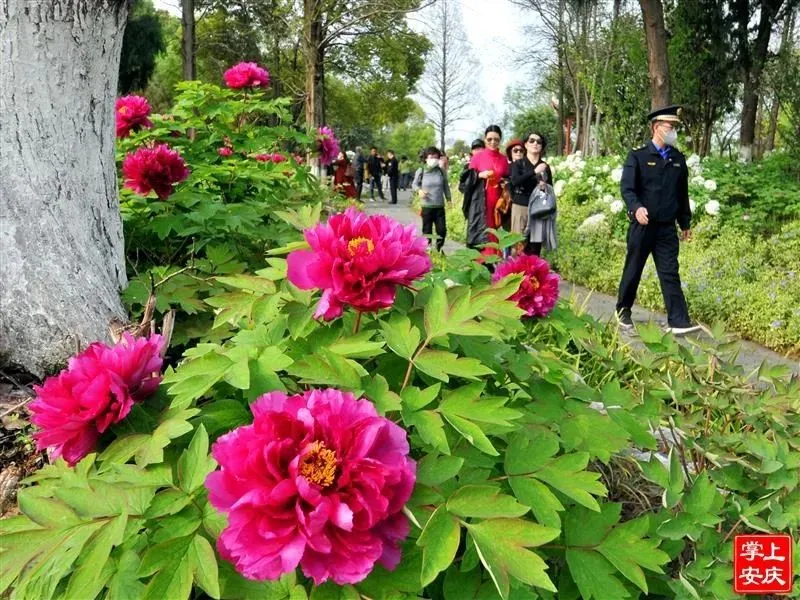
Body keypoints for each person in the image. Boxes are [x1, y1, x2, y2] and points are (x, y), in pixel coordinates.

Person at [616, 104, 700, 335]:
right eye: (669, 126)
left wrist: (685, 223)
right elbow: (628, 189)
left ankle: (678, 320)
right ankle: (623, 311)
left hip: (666, 228)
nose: (673, 130)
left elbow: (682, 193)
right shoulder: (638, 156)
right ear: (656, 127)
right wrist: (636, 208)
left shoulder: (677, 159)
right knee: (634, 268)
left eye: (675, 127)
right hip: (643, 226)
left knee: (670, 272)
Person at [468, 125, 510, 259]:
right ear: (485, 139)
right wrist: (480, 175)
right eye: (490, 139)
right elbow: (467, 180)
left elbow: (508, 178)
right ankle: (481, 261)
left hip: (498, 203)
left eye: (496, 139)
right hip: (481, 203)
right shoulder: (477, 158)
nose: (493, 142)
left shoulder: (503, 159)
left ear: (500, 140)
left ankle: (494, 261)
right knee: (482, 231)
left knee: (495, 233)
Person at [510, 131, 554, 255]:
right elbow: (515, 182)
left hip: (538, 209)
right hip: (521, 207)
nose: (535, 143)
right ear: (526, 144)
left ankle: (533, 274)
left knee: (535, 247)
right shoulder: (518, 164)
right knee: (518, 247)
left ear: (542, 146)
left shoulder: (545, 166)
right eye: (532, 140)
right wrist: (534, 172)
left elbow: (550, 190)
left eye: (539, 142)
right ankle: (517, 274)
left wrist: (544, 187)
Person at [413, 146, 451, 251]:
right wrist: (419, 191)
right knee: (427, 230)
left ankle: (439, 248)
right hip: (427, 206)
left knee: (442, 230)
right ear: (426, 158)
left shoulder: (441, 171)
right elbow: (414, 184)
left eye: (436, 157)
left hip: (439, 206)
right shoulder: (421, 170)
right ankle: (428, 250)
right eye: (431, 157)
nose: (433, 159)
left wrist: (449, 199)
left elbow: (445, 186)